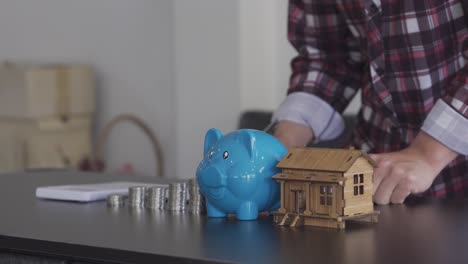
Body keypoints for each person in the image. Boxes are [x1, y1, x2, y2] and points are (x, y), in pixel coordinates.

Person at [272, 0, 468, 205]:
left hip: (459, 183)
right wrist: (283, 143)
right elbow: (328, 60)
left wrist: (428, 153)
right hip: (372, 171)